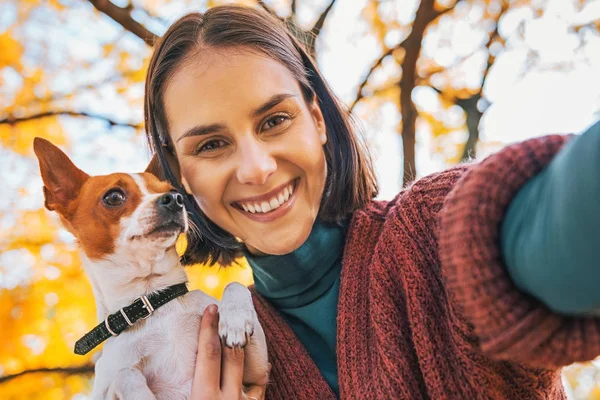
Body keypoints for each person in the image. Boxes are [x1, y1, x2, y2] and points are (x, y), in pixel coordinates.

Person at [142, 5, 600, 399]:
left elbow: (556, 221)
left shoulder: (434, 233)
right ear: (180, 175)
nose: (256, 168)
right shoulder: (207, 364)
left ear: (317, 119)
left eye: (275, 120)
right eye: (209, 145)